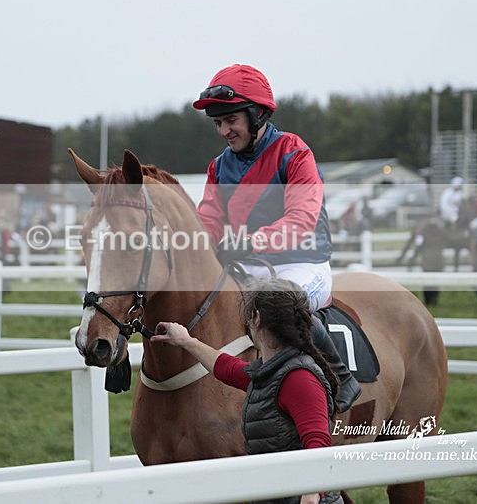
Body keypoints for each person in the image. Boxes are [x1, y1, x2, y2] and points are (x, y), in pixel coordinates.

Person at [193, 64, 360, 412]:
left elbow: (300, 220)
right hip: (249, 267)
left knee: (277, 303)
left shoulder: (295, 153)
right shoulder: (218, 166)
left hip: (302, 264)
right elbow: (208, 220)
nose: (224, 130)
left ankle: (342, 378)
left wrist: (249, 242)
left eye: (231, 120)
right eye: (218, 123)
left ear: (256, 115)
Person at [152, 277, 342, 504]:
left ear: (257, 318)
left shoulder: (299, 377)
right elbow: (229, 369)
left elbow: (318, 443)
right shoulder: (272, 370)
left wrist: (311, 496)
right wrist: (187, 341)